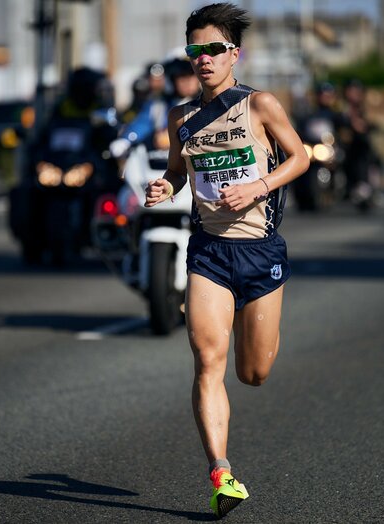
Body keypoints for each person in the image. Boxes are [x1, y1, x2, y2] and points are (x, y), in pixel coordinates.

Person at [144, 3, 309, 518]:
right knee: (206, 360)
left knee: (253, 372)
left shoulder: (260, 106)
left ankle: (256, 330)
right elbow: (177, 172)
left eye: (214, 49)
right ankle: (222, 473)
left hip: (259, 250)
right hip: (210, 252)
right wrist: (163, 185)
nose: (204, 59)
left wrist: (259, 184)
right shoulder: (182, 118)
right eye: (195, 50)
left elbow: (300, 156)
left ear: (233, 53)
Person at [109, 58, 200, 157]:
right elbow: (143, 123)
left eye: (191, 74)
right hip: (162, 162)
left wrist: (175, 138)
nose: (187, 81)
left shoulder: (206, 103)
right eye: (181, 76)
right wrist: (125, 140)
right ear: (171, 80)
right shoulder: (159, 105)